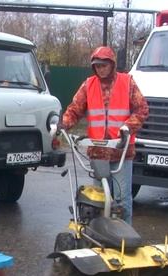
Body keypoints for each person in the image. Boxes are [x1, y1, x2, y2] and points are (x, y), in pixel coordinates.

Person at [59, 46, 148, 225]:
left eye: (103, 65)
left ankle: (124, 238)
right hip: (98, 152)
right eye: (97, 66)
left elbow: (142, 109)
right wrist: (63, 124)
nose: (100, 69)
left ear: (112, 64)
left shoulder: (127, 82)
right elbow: (75, 109)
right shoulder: (88, 85)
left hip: (121, 152)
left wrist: (127, 127)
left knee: (122, 200)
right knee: (98, 200)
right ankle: (99, 237)